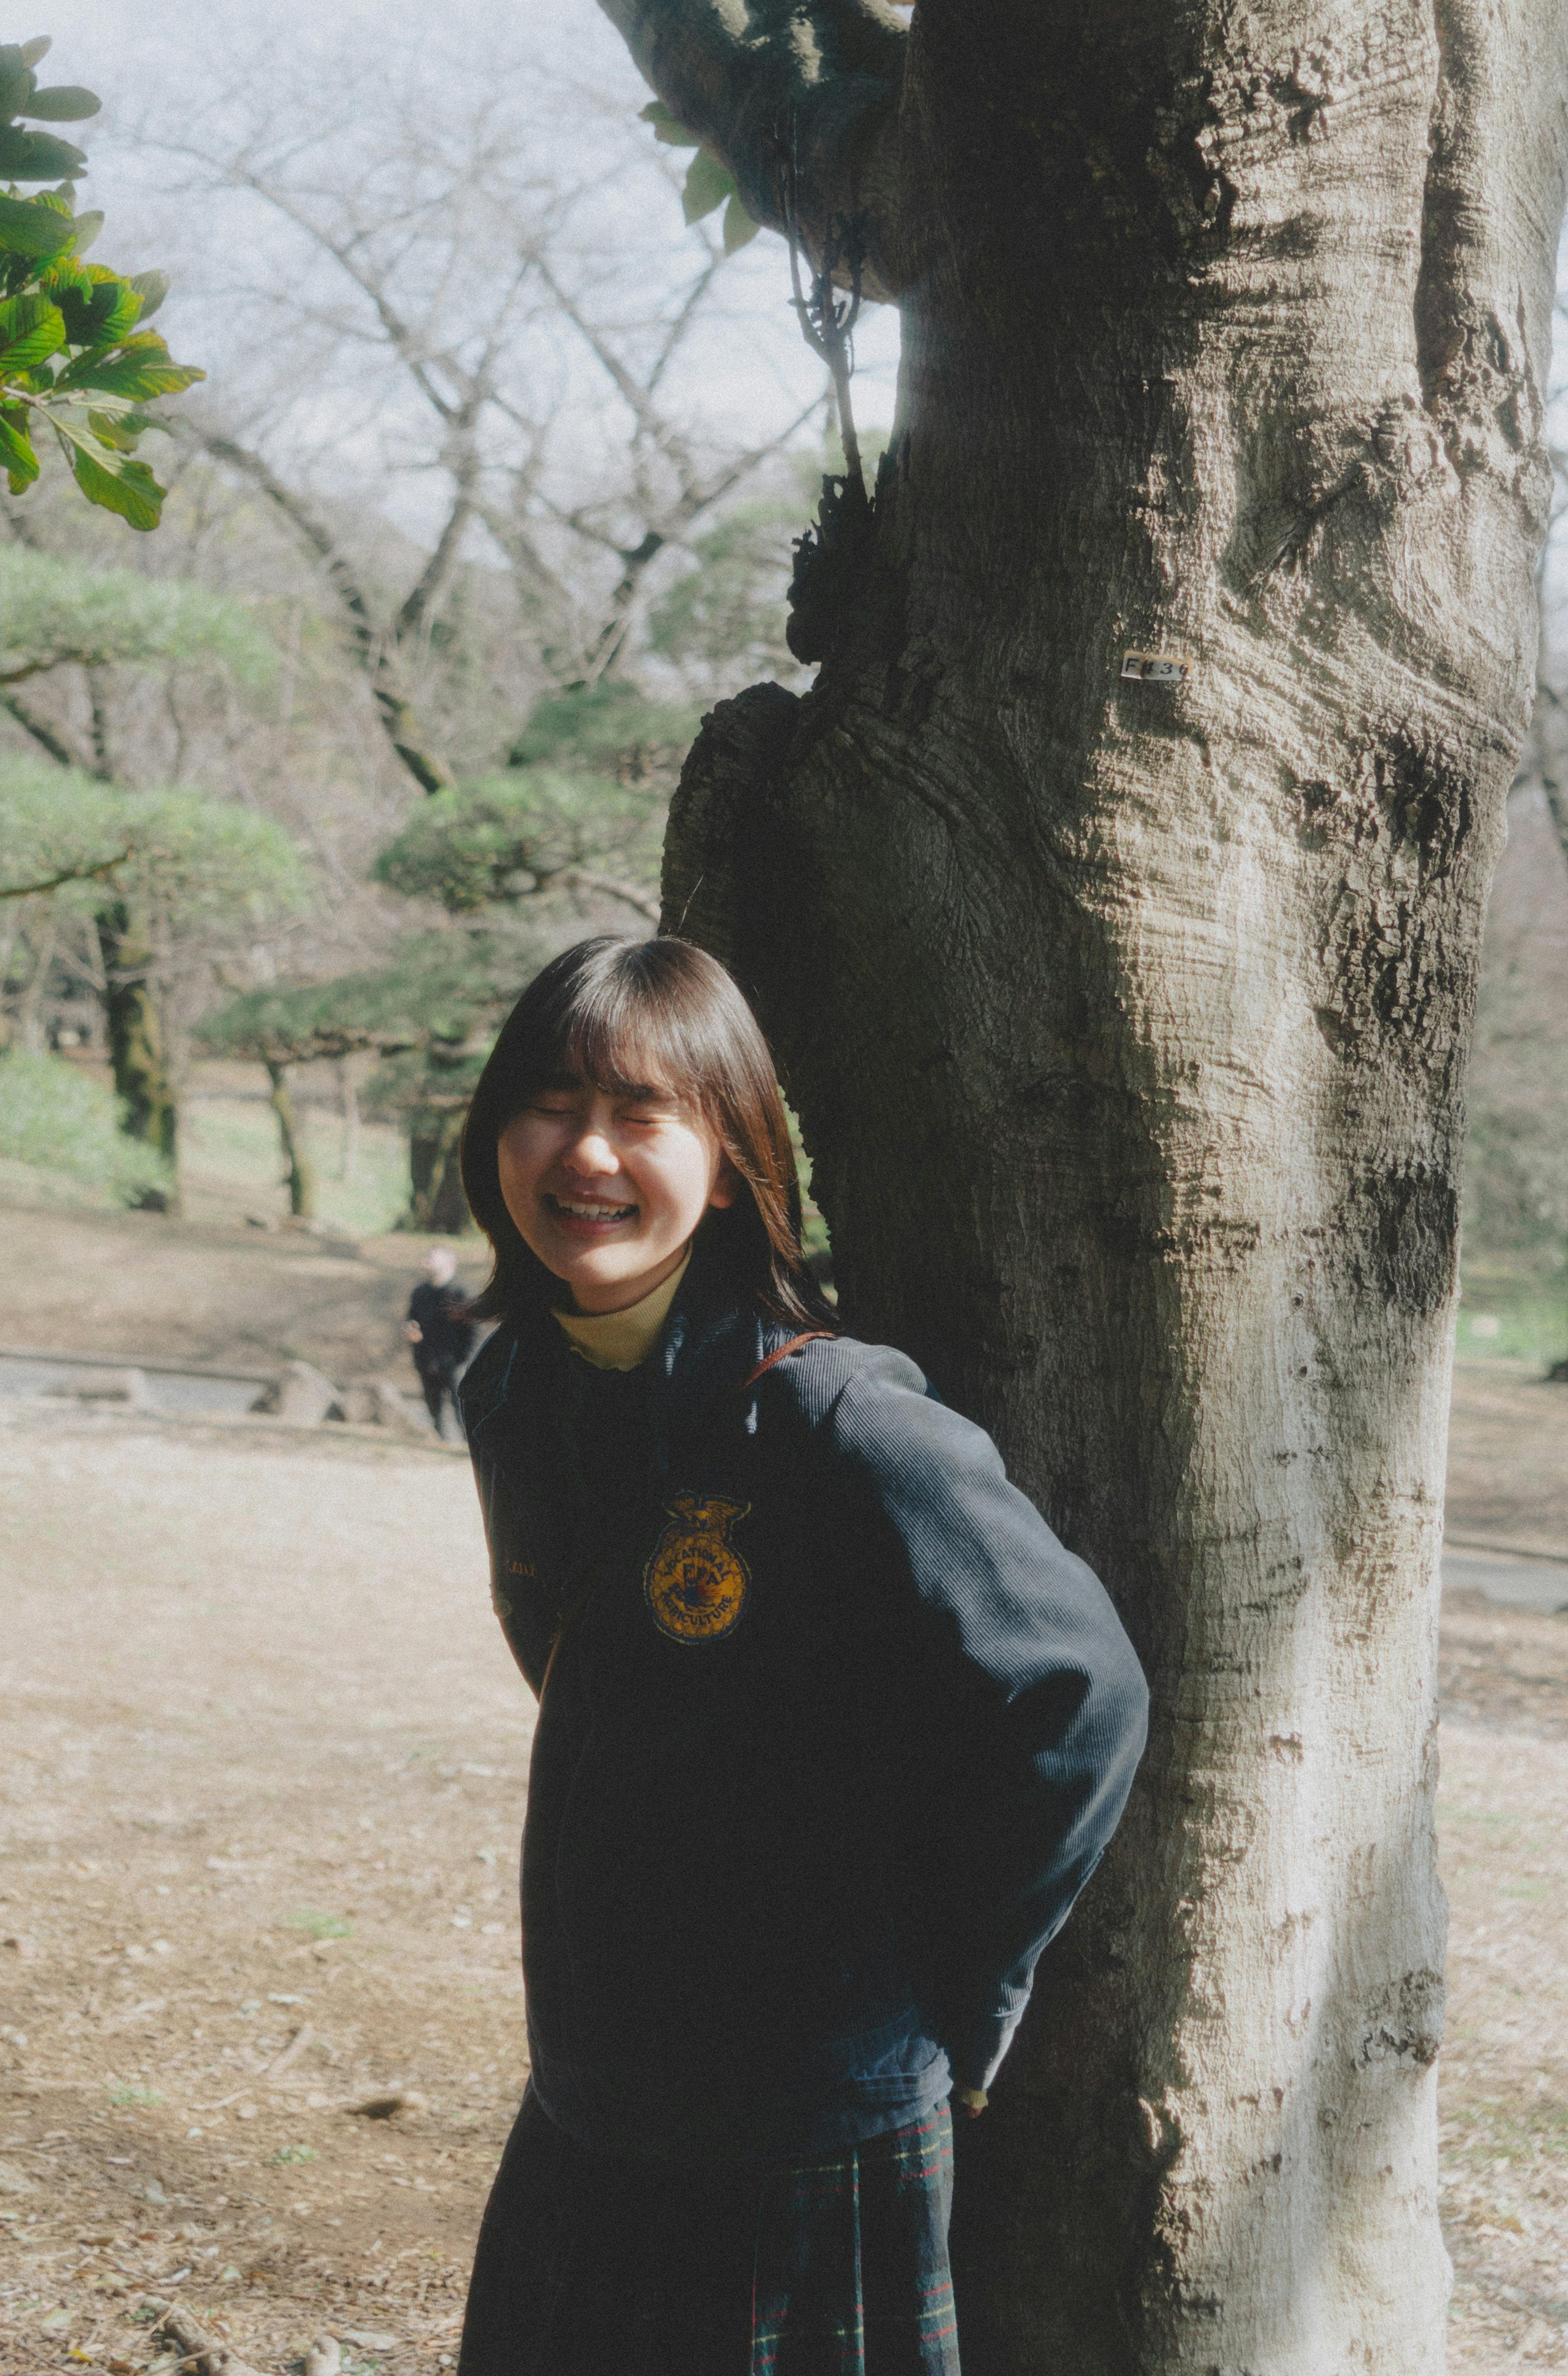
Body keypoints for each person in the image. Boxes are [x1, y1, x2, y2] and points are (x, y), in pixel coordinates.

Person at [453, 936, 1150, 2376]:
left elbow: (1075, 1691)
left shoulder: (838, 1422)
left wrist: (953, 1986)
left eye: (639, 1111)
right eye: (546, 1102)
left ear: (729, 1152)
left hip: (806, 2122)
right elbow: (589, 1675)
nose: (584, 1151)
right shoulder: (512, 1381)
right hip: (588, 2088)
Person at [404, 1243, 476, 1436]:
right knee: (433, 1404)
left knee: (461, 1407)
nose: (427, 1262)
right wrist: (412, 1331)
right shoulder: (420, 1293)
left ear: (450, 1263)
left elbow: (473, 1331)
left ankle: (468, 1445)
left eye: (433, 1258)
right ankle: (440, 1438)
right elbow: (411, 1321)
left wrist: (464, 1358)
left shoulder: (461, 1293)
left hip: (455, 1361)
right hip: (427, 1359)